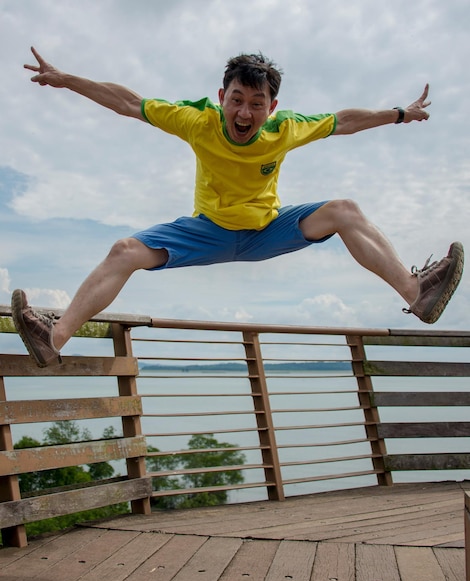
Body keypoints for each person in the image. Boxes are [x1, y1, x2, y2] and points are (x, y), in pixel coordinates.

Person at [12, 47, 464, 368]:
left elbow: (344, 121)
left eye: (257, 104)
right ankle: (55, 337)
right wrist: (65, 79)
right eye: (237, 101)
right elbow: (129, 102)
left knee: (344, 209)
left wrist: (399, 114)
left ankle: (415, 292)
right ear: (221, 96)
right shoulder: (197, 120)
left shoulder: (286, 128)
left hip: (269, 229)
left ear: (273, 106)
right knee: (124, 251)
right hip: (207, 230)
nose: (245, 114)